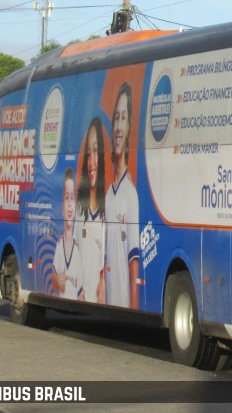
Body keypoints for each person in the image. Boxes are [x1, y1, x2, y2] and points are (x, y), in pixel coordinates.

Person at [105, 82, 140, 309]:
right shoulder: (108, 193)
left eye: (124, 118)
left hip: (122, 302)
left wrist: (134, 312)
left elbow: (133, 263)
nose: (118, 126)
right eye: (116, 117)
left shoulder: (130, 193)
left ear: (129, 130)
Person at [77, 117, 107, 304]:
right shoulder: (79, 212)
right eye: (89, 153)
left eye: (96, 151)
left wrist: (104, 280)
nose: (92, 162)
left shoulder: (109, 211)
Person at [52, 168, 84, 300]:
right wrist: (58, 280)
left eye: (72, 198)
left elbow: (81, 293)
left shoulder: (79, 249)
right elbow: (54, 279)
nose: (70, 204)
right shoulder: (59, 245)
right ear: (62, 206)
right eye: (67, 198)